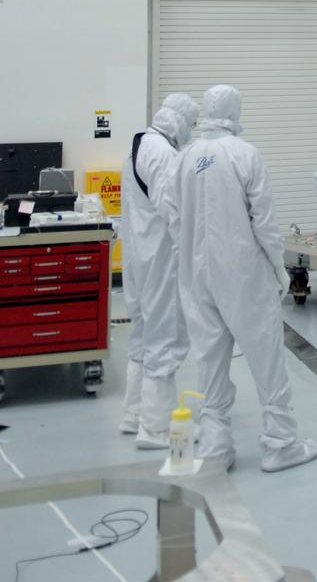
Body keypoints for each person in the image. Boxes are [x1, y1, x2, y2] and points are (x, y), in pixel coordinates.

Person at [173, 85, 317, 473]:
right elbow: (265, 223)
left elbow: (173, 219)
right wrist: (276, 266)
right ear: (234, 111)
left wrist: (188, 260)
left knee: (209, 358)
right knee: (265, 353)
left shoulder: (184, 159)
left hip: (195, 271)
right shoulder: (245, 154)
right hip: (241, 270)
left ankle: (215, 446)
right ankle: (280, 442)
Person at [119, 92, 199, 447]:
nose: (192, 132)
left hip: (138, 257)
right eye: (192, 124)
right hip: (161, 260)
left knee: (143, 335)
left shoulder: (138, 146)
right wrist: (193, 258)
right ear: (180, 120)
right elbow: (174, 211)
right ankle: (157, 428)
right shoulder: (163, 154)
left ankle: (133, 414)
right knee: (166, 334)